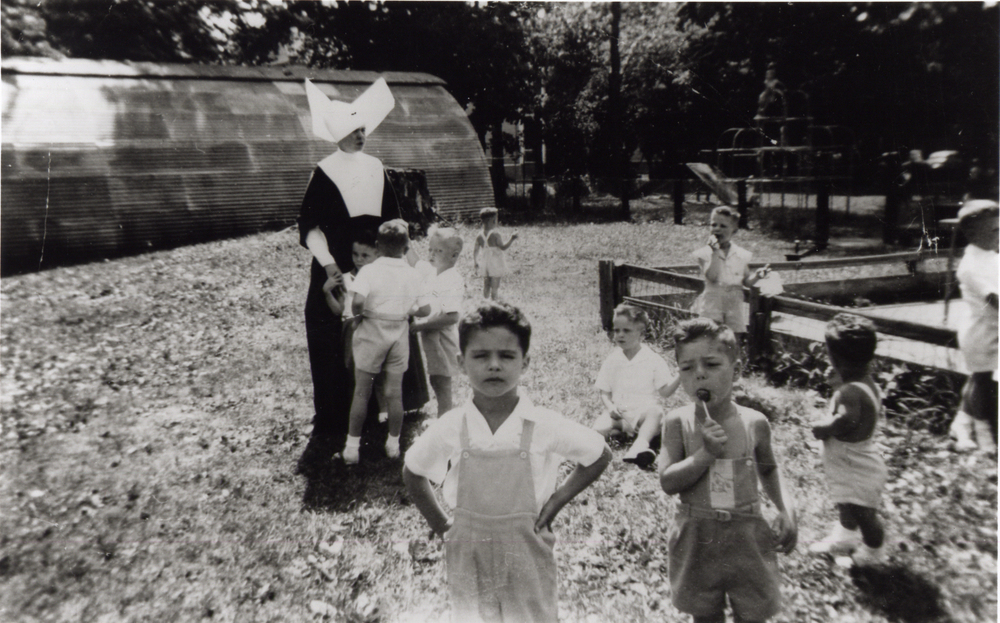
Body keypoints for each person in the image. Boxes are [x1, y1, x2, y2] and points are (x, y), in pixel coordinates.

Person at [403, 301, 611, 623]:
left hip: (526, 549)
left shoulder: (542, 424)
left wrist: (556, 501)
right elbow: (413, 470)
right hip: (468, 552)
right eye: (481, 356)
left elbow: (599, 454)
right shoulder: (452, 425)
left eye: (507, 355)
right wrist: (443, 525)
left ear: (525, 362)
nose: (494, 365)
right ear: (461, 362)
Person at [659, 317, 797, 623]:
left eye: (711, 364)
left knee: (753, 612)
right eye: (687, 368)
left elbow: (770, 470)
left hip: (747, 536)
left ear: (736, 368)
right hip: (697, 538)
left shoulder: (754, 422)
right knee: (705, 615)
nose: (699, 376)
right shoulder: (677, 423)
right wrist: (704, 455)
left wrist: (786, 508)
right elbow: (668, 482)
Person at [296, 77, 401, 474]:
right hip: (335, 261)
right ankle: (334, 415)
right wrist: (327, 263)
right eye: (353, 130)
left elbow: (393, 219)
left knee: (384, 324)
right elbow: (310, 226)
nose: (360, 136)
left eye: (363, 130)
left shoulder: (377, 167)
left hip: (375, 257)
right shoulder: (322, 170)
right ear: (337, 133)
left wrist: (394, 258)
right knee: (333, 330)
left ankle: (387, 406)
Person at [344, 220, 432, 464]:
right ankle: (393, 443)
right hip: (398, 331)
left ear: (377, 247)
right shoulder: (413, 274)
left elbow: (359, 303)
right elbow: (425, 310)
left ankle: (352, 447)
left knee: (362, 391)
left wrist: (358, 320)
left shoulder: (369, 271)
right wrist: (406, 308)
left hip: (372, 329)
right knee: (394, 393)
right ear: (405, 250)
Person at [809, 313, 888, 567]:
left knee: (864, 514)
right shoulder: (863, 382)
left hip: (857, 467)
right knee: (846, 505)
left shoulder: (850, 392)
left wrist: (824, 427)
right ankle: (844, 538)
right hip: (850, 464)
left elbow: (847, 419)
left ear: (834, 356)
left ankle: (874, 551)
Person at [592, 304, 680, 469]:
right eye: (616, 330)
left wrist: (681, 374)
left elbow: (665, 392)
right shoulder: (612, 360)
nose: (620, 335)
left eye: (626, 331)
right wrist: (610, 408)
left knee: (657, 412)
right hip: (618, 414)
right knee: (596, 431)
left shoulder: (653, 360)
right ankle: (618, 433)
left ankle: (639, 446)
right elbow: (604, 392)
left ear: (641, 333)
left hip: (642, 414)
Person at [949, 200, 999, 453]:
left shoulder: (990, 255)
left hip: (993, 331)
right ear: (971, 234)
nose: (999, 235)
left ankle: (960, 426)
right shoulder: (971, 267)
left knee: (979, 381)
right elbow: (995, 299)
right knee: (983, 383)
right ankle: (984, 437)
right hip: (981, 333)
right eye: (994, 231)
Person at [410, 225, 465, 417]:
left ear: (454, 255)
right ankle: (443, 419)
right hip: (434, 340)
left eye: (438, 251)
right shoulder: (434, 272)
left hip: (443, 341)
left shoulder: (452, 279)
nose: (432, 254)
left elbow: (452, 316)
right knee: (436, 379)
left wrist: (421, 325)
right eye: (430, 250)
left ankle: (445, 422)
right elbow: (415, 262)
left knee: (442, 383)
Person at [691, 206, 771, 339]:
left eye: (723, 226)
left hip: (734, 301)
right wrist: (715, 252)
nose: (717, 229)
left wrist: (757, 276)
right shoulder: (704, 253)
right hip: (713, 300)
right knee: (710, 336)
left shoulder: (741, 254)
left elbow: (746, 282)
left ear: (734, 230)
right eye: (713, 224)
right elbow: (712, 277)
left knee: (733, 339)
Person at [474, 207, 518, 300]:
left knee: (486, 285)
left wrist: (475, 261)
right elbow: (503, 247)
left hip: (485, 263)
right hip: (495, 263)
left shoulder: (479, 235)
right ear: (492, 220)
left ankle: (485, 303)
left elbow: (476, 250)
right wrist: (512, 238)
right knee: (495, 287)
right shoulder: (495, 234)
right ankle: (494, 304)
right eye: (496, 219)